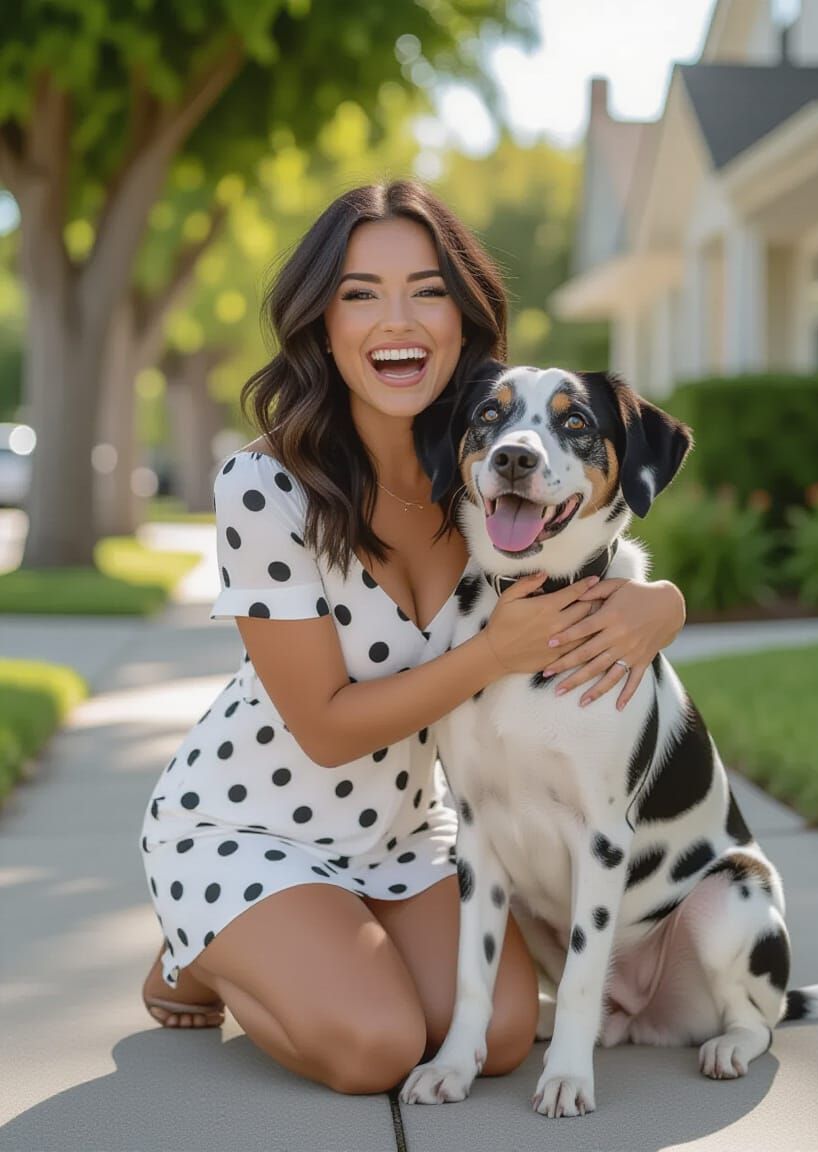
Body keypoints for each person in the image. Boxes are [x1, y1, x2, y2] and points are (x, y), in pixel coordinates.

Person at [139, 180, 687, 1095]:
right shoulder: (265, 487)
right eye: (360, 293)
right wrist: (493, 655)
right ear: (322, 325)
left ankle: (314, 939)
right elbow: (324, 726)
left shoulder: (485, 474)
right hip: (247, 823)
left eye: (428, 289)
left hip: (404, 835)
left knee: (506, 1034)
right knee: (378, 1047)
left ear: (468, 320)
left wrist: (662, 601)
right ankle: (192, 955)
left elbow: (599, 534)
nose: (398, 319)